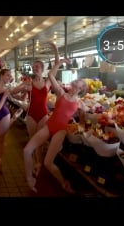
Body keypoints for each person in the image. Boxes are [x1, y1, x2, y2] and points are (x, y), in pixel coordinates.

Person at [23, 58, 87, 194]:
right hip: (49, 125)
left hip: (61, 130)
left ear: (81, 89)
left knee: (47, 163)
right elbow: (51, 75)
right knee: (27, 150)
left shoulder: (81, 103)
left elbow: (83, 119)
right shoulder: (61, 93)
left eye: (78, 82)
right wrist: (59, 62)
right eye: (75, 80)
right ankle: (30, 179)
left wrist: (80, 124)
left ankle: (63, 183)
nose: (75, 82)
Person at [0, 44, 29, 173]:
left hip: (4, 113)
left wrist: (26, 90)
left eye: (10, 76)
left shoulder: (9, 88)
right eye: (7, 75)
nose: (9, 77)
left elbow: (21, 98)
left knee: (1, 140)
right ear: (1, 76)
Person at [24, 42, 60, 175]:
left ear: (43, 68)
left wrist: (55, 49)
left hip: (44, 114)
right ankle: (36, 163)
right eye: (33, 67)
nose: (35, 68)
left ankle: (39, 163)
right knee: (32, 141)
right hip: (31, 115)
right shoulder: (28, 82)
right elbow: (16, 91)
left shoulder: (48, 81)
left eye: (37, 66)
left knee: (40, 142)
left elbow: (56, 64)